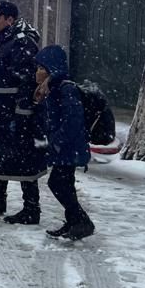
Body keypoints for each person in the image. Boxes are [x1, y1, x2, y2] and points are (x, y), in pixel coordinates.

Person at [0, 0, 46, 223]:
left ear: (10, 20)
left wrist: (22, 112)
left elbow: (26, 80)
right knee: (2, 152)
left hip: (15, 113)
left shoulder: (21, 42)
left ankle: (31, 208)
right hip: (5, 111)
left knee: (23, 156)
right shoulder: (9, 39)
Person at [33, 45, 96, 241]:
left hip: (70, 147)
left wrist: (57, 142)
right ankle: (74, 221)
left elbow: (73, 120)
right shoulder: (52, 88)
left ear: (51, 69)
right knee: (65, 184)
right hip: (65, 146)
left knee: (57, 183)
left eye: (41, 68)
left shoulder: (65, 88)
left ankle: (82, 221)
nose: (37, 72)